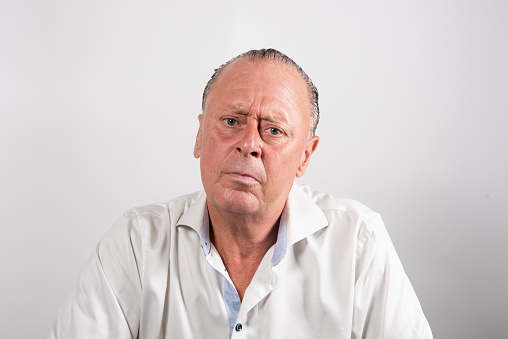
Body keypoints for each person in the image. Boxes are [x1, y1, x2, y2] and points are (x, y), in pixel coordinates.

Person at [48, 48, 432, 338]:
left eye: (273, 130)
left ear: (305, 156)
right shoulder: (137, 244)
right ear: (200, 135)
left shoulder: (358, 244)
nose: (249, 144)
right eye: (231, 121)